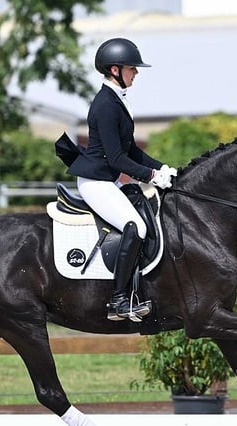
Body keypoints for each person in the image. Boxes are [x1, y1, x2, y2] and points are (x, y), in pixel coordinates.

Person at [63, 37, 176, 322]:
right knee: (135, 227)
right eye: (131, 68)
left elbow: (132, 151)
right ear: (115, 70)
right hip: (96, 182)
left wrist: (163, 168)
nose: (135, 72)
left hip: (106, 180)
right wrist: (151, 176)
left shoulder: (116, 100)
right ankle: (118, 301)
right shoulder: (106, 104)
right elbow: (116, 158)